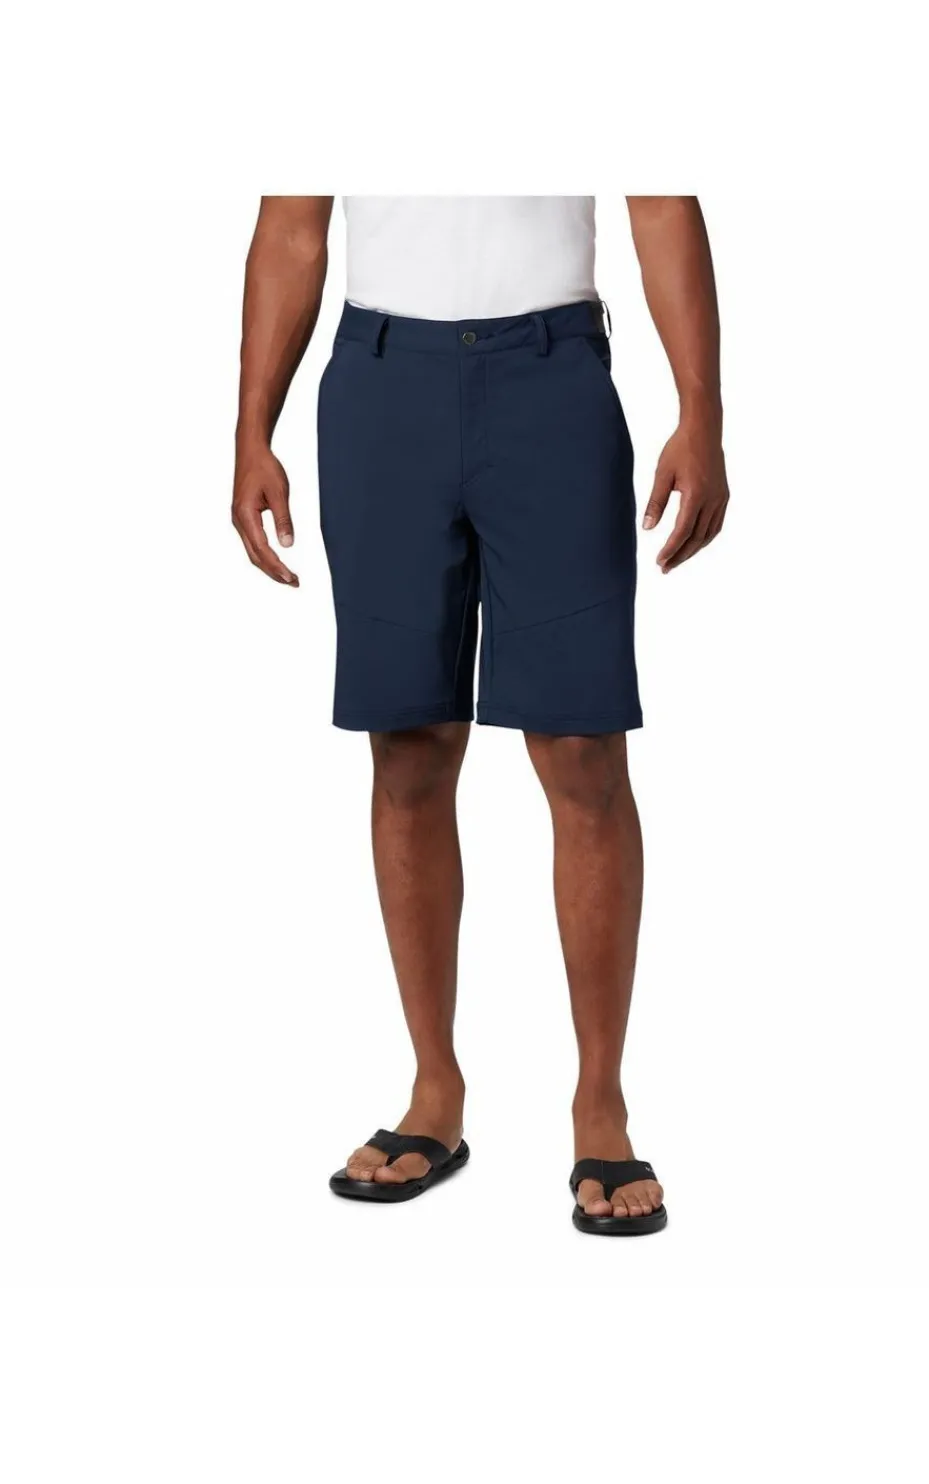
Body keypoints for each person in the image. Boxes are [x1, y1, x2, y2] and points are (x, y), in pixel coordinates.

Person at [232, 196, 729, 1235]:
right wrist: (250, 431)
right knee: (407, 746)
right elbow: (290, 227)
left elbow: (660, 201)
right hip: (381, 383)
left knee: (582, 746)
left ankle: (600, 1103)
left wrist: (701, 412)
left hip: (550, 376)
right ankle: (434, 1092)